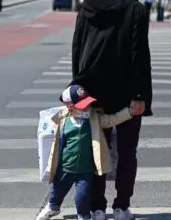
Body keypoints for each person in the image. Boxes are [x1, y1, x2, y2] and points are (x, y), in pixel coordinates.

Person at [70, 0, 153, 220]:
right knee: (127, 153)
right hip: (127, 94)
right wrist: (141, 96)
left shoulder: (87, 7)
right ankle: (121, 207)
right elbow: (139, 55)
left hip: (93, 93)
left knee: (96, 152)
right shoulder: (136, 9)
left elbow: (78, 50)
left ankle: (96, 209)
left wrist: (79, 91)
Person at [36, 85, 136, 220]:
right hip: (65, 168)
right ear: (70, 107)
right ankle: (53, 207)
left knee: (82, 197)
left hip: (86, 171)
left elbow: (112, 119)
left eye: (88, 104)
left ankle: (83, 216)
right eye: (82, 105)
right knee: (57, 191)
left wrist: (129, 112)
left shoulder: (94, 118)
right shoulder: (63, 119)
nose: (87, 107)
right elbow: (50, 135)